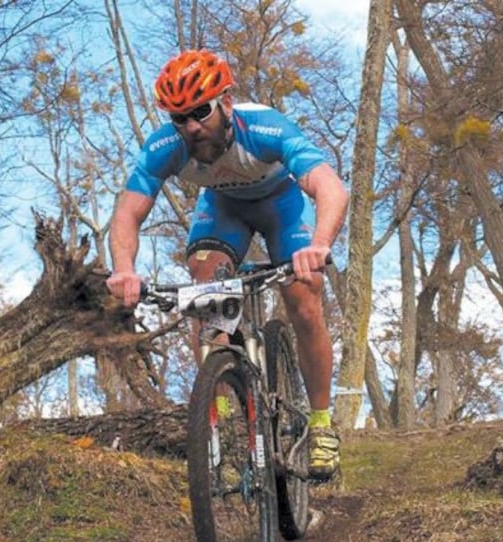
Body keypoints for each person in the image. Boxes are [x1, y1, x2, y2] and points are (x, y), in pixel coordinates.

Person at [105, 50, 349, 480]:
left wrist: (319, 245)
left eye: (201, 112)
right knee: (205, 288)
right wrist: (123, 268)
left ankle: (321, 423)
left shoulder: (265, 128)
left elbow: (330, 187)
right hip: (224, 210)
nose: (191, 126)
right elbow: (127, 213)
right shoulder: (166, 147)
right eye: (179, 118)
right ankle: (217, 417)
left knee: (304, 295)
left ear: (226, 103)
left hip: (282, 207)